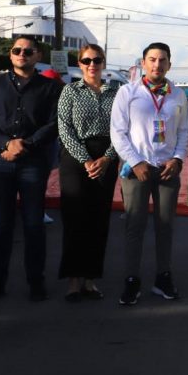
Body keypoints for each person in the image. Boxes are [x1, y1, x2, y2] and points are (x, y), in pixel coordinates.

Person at [0, 37, 62, 302]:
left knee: (34, 223)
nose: (22, 54)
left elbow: (54, 123)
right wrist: (5, 144)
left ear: (38, 55)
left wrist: (27, 145)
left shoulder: (51, 88)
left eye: (28, 51)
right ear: (11, 56)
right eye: (17, 51)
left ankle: (36, 282)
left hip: (34, 162)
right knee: (1, 225)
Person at [110, 42, 188, 305]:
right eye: (152, 59)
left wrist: (178, 159)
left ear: (169, 64)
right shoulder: (128, 92)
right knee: (135, 226)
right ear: (143, 63)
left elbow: (183, 132)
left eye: (162, 60)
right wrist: (135, 162)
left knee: (165, 226)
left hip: (167, 169)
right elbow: (118, 132)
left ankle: (163, 277)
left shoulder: (177, 95)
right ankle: (132, 280)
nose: (157, 65)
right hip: (137, 171)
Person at [57, 45, 122, 301]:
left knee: (98, 219)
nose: (92, 64)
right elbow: (65, 129)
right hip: (75, 159)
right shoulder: (70, 91)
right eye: (86, 60)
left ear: (104, 62)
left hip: (106, 155)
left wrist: (107, 157)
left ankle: (91, 279)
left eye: (97, 60)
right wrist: (86, 160)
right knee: (75, 219)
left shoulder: (116, 93)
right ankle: (73, 280)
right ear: (79, 63)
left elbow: (122, 129)